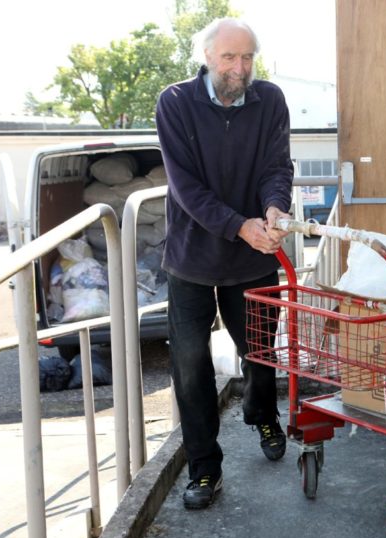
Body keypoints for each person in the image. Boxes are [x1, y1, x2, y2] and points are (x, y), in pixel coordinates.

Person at [155, 17, 294, 510]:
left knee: (259, 353)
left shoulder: (269, 100)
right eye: (230, 57)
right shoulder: (175, 103)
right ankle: (204, 469)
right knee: (190, 369)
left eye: (248, 57)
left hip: (254, 255)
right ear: (208, 57)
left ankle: (262, 412)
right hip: (192, 257)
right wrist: (240, 224)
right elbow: (185, 187)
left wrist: (276, 207)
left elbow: (277, 166)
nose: (240, 67)